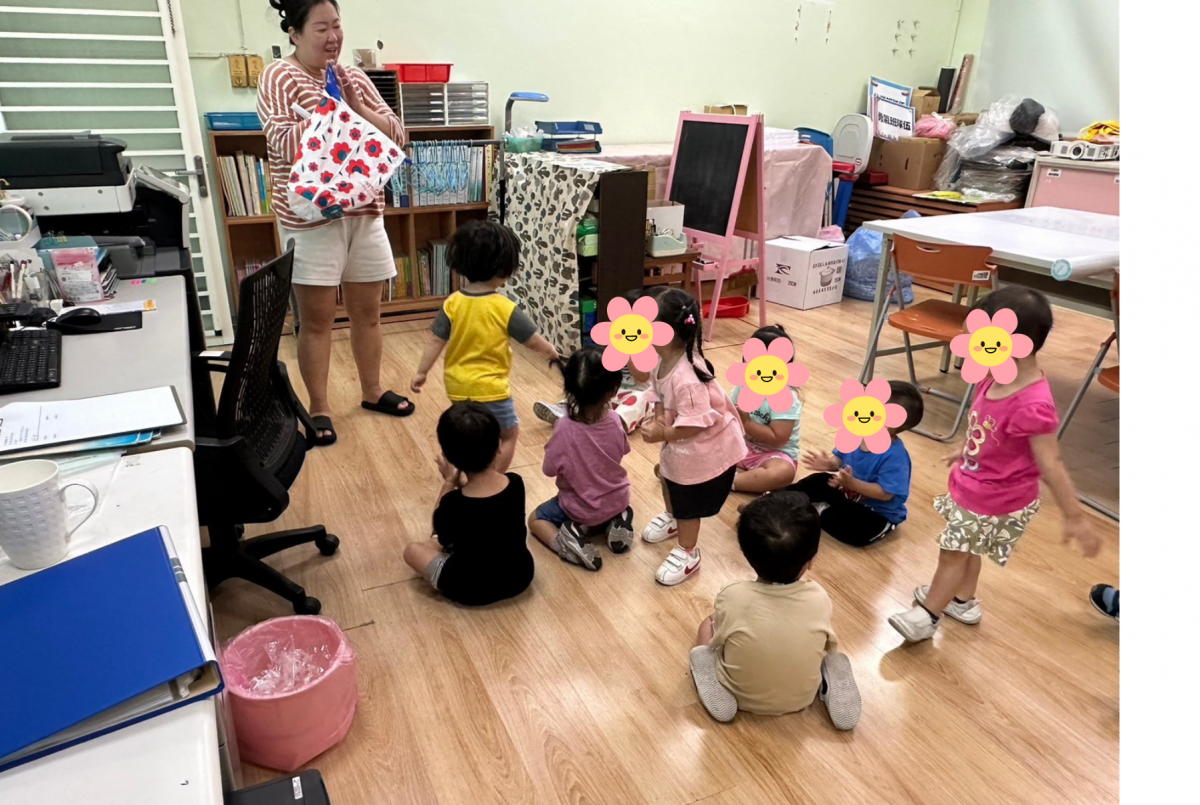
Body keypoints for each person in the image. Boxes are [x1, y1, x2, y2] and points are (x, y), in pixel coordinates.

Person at [889, 287, 1102, 643]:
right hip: (976, 483)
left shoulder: (1033, 405)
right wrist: (967, 448)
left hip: (997, 496)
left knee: (953, 551)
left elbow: (1051, 463)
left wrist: (1075, 516)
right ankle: (962, 600)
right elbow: (987, 426)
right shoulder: (992, 375)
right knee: (968, 548)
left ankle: (928, 616)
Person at [259, 0, 414, 446]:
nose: (333, 37)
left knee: (369, 314)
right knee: (317, 320)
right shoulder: (279, 76)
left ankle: (372, 390)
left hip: (364, 212)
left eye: (337, 26)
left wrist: (354, 107)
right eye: (321, 28)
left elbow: (396, 134)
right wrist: (334, 114)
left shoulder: (353, 77)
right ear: (294, 33)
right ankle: (320, 407)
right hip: (311, 219)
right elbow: (284, 142)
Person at [688, 492, 860, 729]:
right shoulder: (818, 596)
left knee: (709, 624)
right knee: (814, 642)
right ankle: (828, 675)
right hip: (803, 697)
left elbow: (722, 635)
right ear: (811, 560)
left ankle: (706, 671)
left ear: (746, 554)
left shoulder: (733, 595)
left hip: (738, 694)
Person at [410, 220, 562, 472]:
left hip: (458, 387)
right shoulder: (504, 307)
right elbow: (531, 339)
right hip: (492, 389)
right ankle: (492, 480)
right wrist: (551, 351)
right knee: (509, 434)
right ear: (503, 268)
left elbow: (436, 340)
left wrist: (421, 372)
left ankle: (464, 473)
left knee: (469, 433)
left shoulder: (452, 303)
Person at [641, 288, 746, 586]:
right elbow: (657, 392)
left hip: (705, 448)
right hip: (680, 443)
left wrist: (664, 432)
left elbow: (696, 424)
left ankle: (688, 552)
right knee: (667, 478)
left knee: (687, 499)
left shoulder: (687, 379)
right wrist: (660, 418)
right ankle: (672, 517)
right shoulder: (661, 359)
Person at [403, 402, 534, 606]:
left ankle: (439, 551)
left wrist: (449, 482)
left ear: (449, 457)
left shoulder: (453, 504)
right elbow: (485, 504)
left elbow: (438, 528)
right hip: (520, 576)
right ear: (499, 444)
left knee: (412, 551)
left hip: (469, 589)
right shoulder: (516, 483)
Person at [529, 346, 635, 571]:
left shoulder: (564, 428)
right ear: (613, 391)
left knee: (535, 520)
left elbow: (548, 469)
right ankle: (617, 519)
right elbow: (622, 451)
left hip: (580, 506)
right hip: (618, 498)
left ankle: (565, 544)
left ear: (569, 388)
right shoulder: (616, 420)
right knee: (605, 510)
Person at [783, 381, 924, 547]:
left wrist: (852, 483)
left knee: (859, 532)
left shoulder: (895, 457)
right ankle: (777, 500)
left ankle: (819, 512)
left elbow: (885, 494)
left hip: (875, 512)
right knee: (818, 480)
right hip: (846, 494)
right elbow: (839, 460)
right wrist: (828, 464)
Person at [534, 286, 667, 434]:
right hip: (613, 391)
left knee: (639, 400)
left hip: (637, 393)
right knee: (590, 388)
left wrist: (629, 353)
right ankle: (565, 409)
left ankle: (617, 423)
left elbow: (643, 378)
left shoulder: (651, 347)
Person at [730, 324, 805, 494]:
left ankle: (729, 482)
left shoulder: (786, 399)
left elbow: (779, 439)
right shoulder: (742, 386)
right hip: (741, 446)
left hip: (773, 455)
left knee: (782, 473)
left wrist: (747, 423)